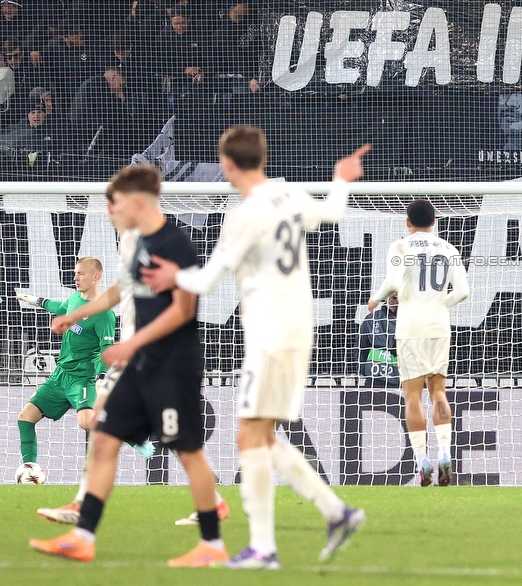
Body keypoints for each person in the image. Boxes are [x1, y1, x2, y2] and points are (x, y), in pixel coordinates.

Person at [139, 126, 370, 569]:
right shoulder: (290, 195)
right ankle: (336, 513)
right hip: (298, 328)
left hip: (271, 330)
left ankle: (263, 548)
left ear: (227, 166)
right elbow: (334, 212)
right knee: (261, 435)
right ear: (261, 159)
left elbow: (207, 280)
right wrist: (342, 177)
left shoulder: (244, 215)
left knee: (250, 435)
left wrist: (172, 277)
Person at [29, 165, 228, 567]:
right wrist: (75, 314)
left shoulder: (176, 245)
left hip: (172, 364)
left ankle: (212, 544)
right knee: (103, 438)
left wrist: (131, 342)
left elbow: (184, 309)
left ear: (137, 202)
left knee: (188, 452)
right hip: (140, 362)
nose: (110, 211)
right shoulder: (137, 242)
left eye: (115, 203)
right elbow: (123, 290)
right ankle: (83, 536)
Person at [367, 199, 470, 487]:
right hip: (439, 326)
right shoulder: (449, 249)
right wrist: (440, 303)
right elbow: (463, 291)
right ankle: (445, 453)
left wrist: (376, 299)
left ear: (407, 222)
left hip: (410, 327)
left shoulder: (401, 247)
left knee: (412, 396)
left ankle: (422, 460)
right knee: (439, 393)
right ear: (434, 222)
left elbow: (394, 280)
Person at [14, 258, 121, 481]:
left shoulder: (104, 313)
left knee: (85, 422)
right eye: (75, 273)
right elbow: (59, 308)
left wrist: (101, 375)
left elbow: (107, 348)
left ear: (96, 276)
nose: (75, 277)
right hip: (60, 375)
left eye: (80, 273)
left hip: (82, 378)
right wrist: (37, 300)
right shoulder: (74, 298)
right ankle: (30, 469)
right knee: (26, 417)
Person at [359, 291, 399, 387]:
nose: (393, 300)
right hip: (375, 381)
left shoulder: (414, 322)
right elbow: (361, 348)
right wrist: (364, 370)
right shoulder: (371, 320)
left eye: (396, 298)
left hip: (403, 382)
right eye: (391, 297)